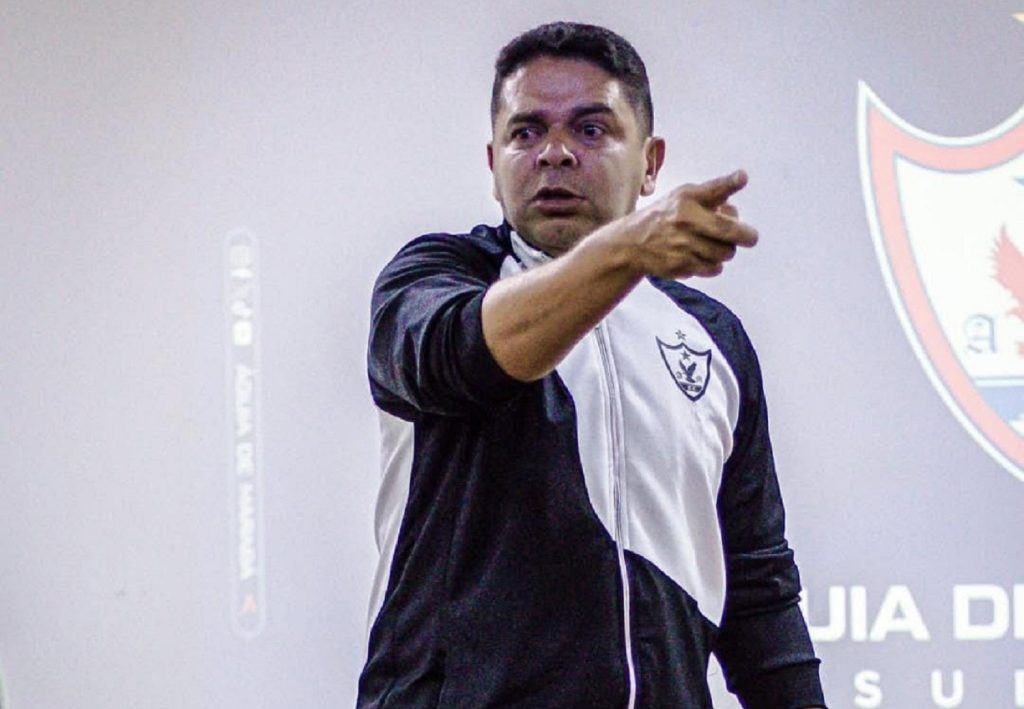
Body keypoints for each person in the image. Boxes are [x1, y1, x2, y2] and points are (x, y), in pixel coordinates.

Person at [358, 21, 826, 709]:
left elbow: (757, 584)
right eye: (525, 132)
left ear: (651, 163)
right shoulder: (433, 278)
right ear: (493, 164)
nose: (554, 153)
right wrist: (626, 249)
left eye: (590, 129)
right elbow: (466, 354)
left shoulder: (712, 338)